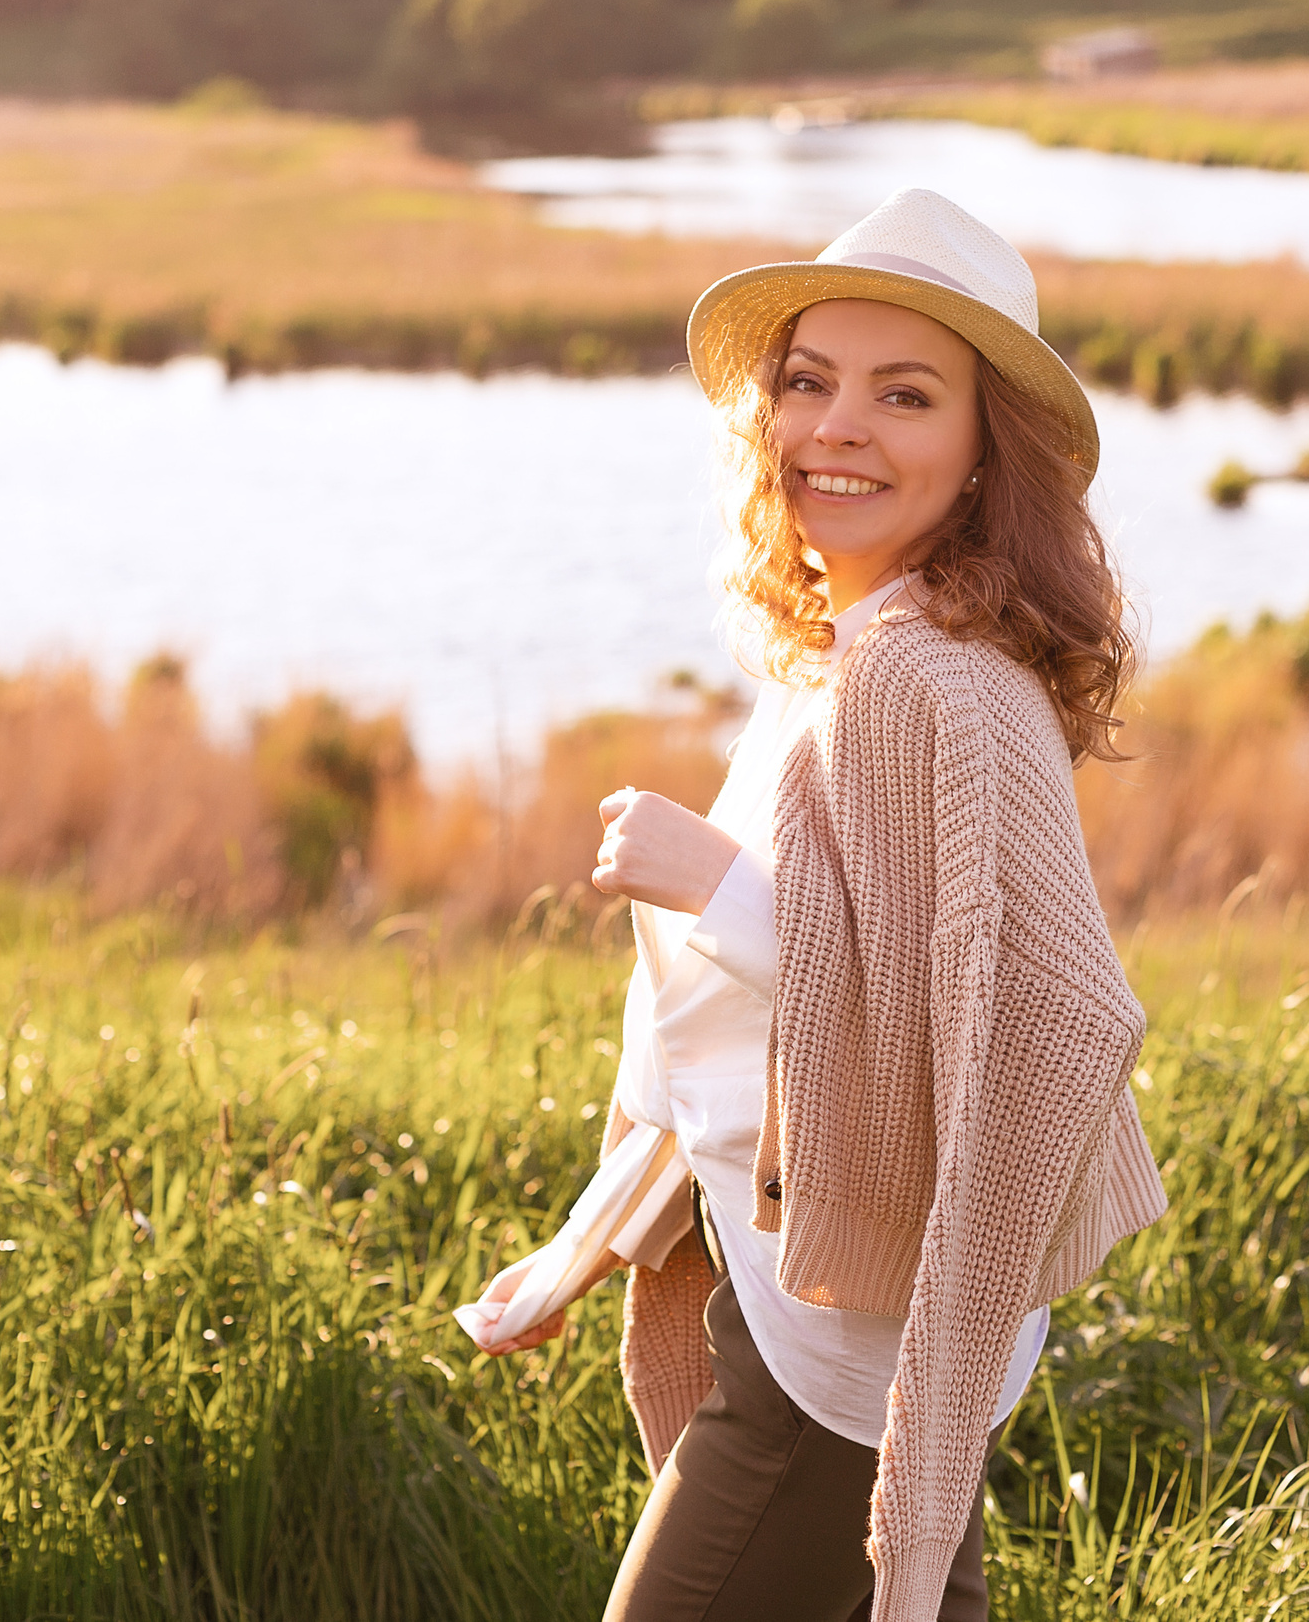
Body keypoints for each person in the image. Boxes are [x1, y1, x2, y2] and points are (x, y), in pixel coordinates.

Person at [465, 188, 1167, 1622]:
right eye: (806, 381)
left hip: (845, 1358)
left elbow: (1029, 1012)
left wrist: (711, 881)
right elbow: (780, 1034)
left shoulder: (931, 684)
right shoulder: (857, 657)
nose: (835, 426)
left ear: (985, 458)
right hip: (819, 1306)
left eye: (904, 395)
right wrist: (587, 1241)